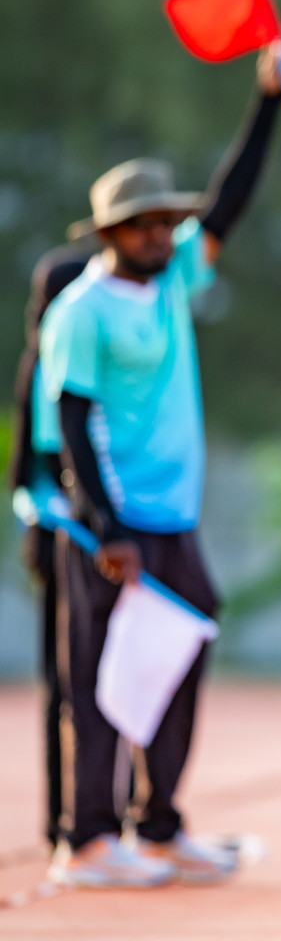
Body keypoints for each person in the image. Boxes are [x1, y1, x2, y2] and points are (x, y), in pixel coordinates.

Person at [39, 40, 281, 888]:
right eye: (144, 224)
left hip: (173, 516)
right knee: (98, 676)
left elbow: (228, 205)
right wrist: (106, 528)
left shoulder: (175, 278)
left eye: (165, 221)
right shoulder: (82, 310)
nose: (162, 234)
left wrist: (266, 100)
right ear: (111, 233)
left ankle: (158, 826)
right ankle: (87, 841)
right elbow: (70, 419)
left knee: (181, 650)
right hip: (111, 520)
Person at [8, 241, 93, 853]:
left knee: (89, 685)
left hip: (93, 539)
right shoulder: (42, 370)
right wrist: (52, 514)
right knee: (62, 686)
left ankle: (91, 815)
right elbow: (24, 478)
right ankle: (62, 820)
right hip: (60, 540)